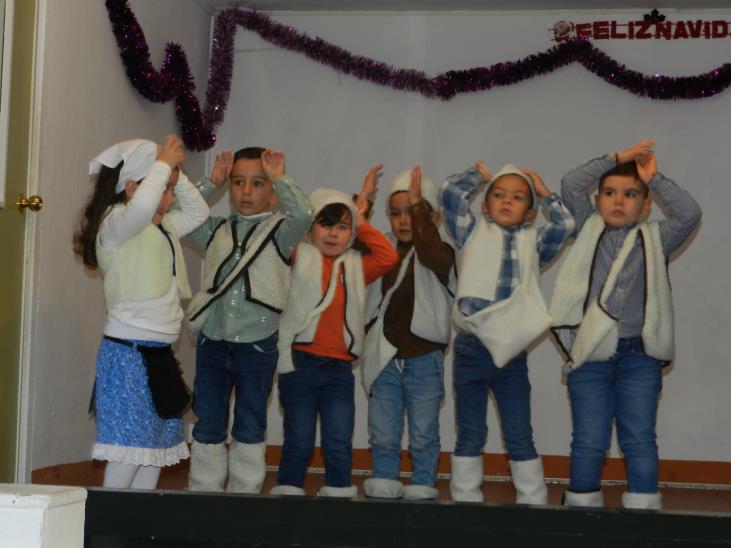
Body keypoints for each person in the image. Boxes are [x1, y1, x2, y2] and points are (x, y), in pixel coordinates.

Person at [551, 141, 702, 510]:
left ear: (646, 206)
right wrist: (617, 159)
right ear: (597, 200)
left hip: (639, 356)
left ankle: (642, 510)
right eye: (609, 193)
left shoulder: (656, 239)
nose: (618, 201)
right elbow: (571, 182)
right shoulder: (587, 229)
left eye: (631, 194)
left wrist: (654, 179)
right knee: (589, 439)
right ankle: (582, 507)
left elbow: (689, 213)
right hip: (590, 355)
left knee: (638, 437)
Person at [73, 136, 209, 489]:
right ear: (133, 188)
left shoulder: (164, 227)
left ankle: (137, 517)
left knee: (152, 449)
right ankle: (108, 518)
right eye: (164, 190)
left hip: (159, 354)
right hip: (127, 355)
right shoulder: (116, 226)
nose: (170, 199)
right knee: (128, 449)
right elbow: (139, 208)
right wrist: (162, 165)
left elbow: (199, 213)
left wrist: (175, 173)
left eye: (171, 190)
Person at [440, 161, 574, 504]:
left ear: (529, 212)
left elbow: (565, 224)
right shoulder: (470, 232)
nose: (507, 201)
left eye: (517, 197)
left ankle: (532, 498)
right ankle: (465, 497)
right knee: (470, 431)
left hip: (511, 350)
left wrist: (544, 193)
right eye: (498, 195)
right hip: (471, 346)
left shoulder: (534, 242)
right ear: (485, 206)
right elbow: (450, 194)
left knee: (518, 431)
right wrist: (479, 176)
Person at [185, 147, 312, 493]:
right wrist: (211, 182)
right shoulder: (215, 230)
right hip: (213, 341)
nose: (246, 191)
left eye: (258, 183)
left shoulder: (281, 231)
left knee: (250, 419)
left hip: (257, 345)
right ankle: (204, 490)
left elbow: (304, 214)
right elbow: (181, 213)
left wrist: (280, 177)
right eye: (238, 182)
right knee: (207, 418)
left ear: (272, 192)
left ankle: (245, 491)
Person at [270, 165, 399, 497]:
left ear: (351, 233)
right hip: (299, 363)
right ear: (310, 228)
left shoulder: (356, 265)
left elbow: (387, 256)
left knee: (338, 439)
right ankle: (289, 489)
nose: (332, 233)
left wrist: (360, 217)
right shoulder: (298, 256)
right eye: (324, 224)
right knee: (298, 437)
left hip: (339, 369)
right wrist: (282, 181)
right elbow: (284, 232)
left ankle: (339, 490)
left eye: (342, 227)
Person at [361, 166, 456, 500]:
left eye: (413, 212)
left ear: (434, 218)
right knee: (383, 430)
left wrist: (420, 216)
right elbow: (352, 242)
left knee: (423, 431)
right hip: (383, 355)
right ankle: (384, 479)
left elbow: (429, 250)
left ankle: (423, 482)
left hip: (424, 357)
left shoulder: (441, 252)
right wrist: (363, 203)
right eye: (396, 213)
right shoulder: (382, 250)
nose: (403, 221)